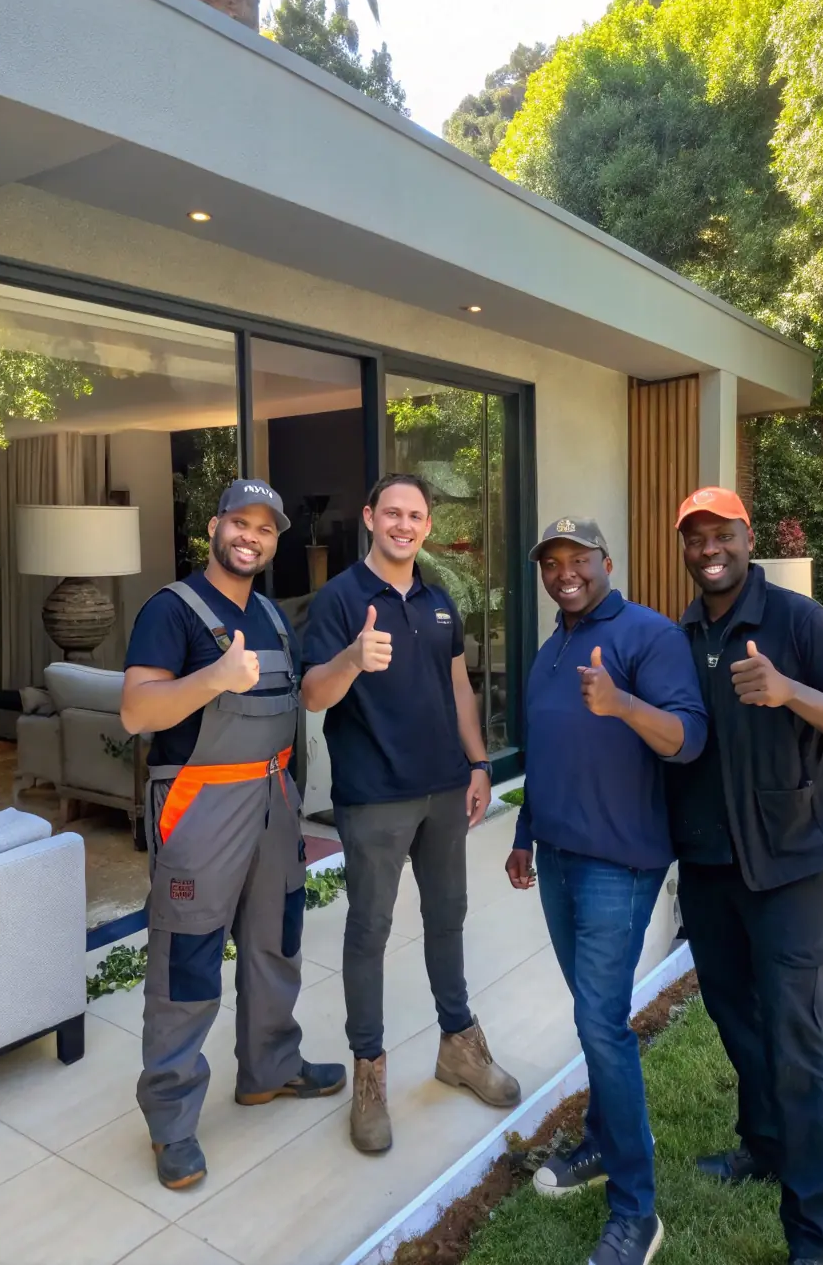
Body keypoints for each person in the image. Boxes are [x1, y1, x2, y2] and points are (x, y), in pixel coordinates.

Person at [670, 487, 823, 1265]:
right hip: (709, 866)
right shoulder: (685, 630)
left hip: (790, 866)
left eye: (720, 534)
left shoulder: (797, 621)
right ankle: (763, 1147)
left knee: (798, 1044)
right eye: (694, 538)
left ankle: (820, 1230)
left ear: (745, 536)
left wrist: (791, 689)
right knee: (737, 1021)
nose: (707, 549)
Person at [120, 479, 346, 1192]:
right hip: (201, 804)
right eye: (239, 523)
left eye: (265, 528)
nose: (251, 536)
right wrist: (215, 676)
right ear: (214, 528)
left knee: (276, 938)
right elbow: (135, 710)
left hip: (273, 796)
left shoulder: (275, 618)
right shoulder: (172, 610)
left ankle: (270, 1068)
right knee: (187, 961)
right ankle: (173, 1120)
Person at [505, 517, 707, 1265]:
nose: (565, 572)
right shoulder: (550, 646)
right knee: (597, 1018)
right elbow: (546, 747)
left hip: (619, 861)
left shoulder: (649, 637)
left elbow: (688, 737)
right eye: (551, 561)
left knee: (600, 1022)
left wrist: (622, 704)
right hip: (557, 854)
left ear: (606, 562)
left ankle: (637, 1209)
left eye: (578, 559)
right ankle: (600, 1141)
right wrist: (525, 831)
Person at [301, 472, 520, 1155]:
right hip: (374, 796)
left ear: (427, 525)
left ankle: (459, 1043)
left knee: (447, 916)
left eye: (415, 515)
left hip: (443, 791)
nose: (403, 523)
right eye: (391, 511)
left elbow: (458, 686)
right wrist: (351, 657)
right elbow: (312, 695)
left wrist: (480, 763)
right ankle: (370, 1071)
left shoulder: (439, 598)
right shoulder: (339, 600)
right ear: (370, 517)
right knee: (368, 931)